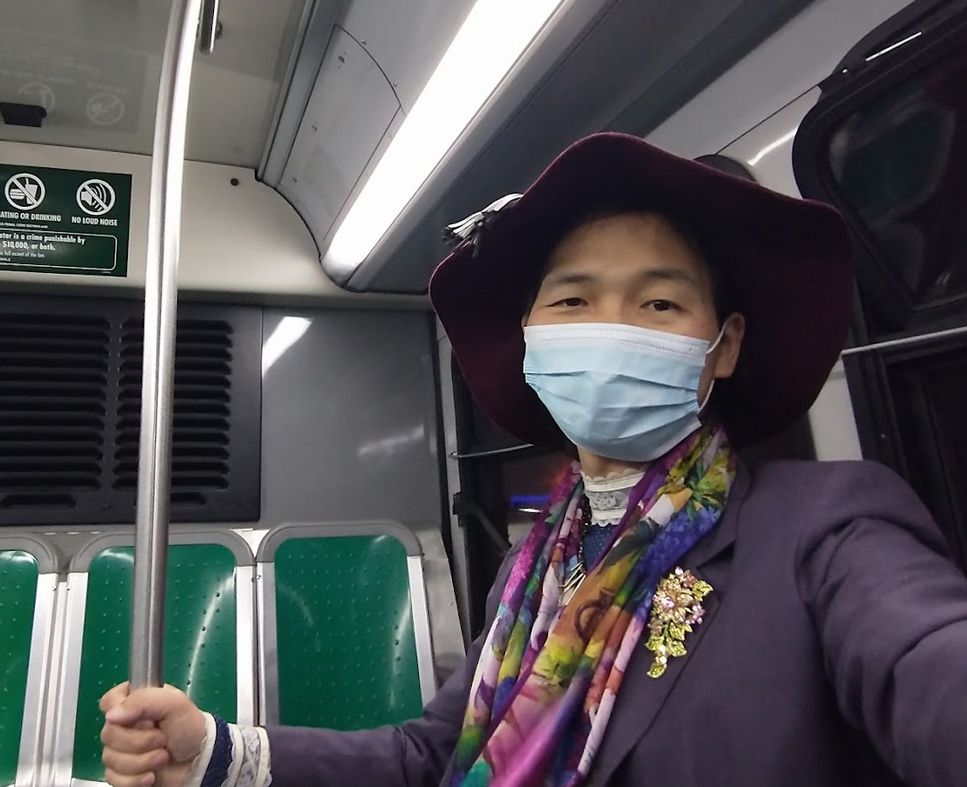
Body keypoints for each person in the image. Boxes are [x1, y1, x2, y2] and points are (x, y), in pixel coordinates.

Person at [99, 133, 967, 787]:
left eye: (659, 301)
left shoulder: (825, 527)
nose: (613, 327)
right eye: (573, 300)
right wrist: (216, 748)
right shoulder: (533, 567)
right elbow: (435, 752)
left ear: (722, 345)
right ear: (530, 340)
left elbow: (927, 657)